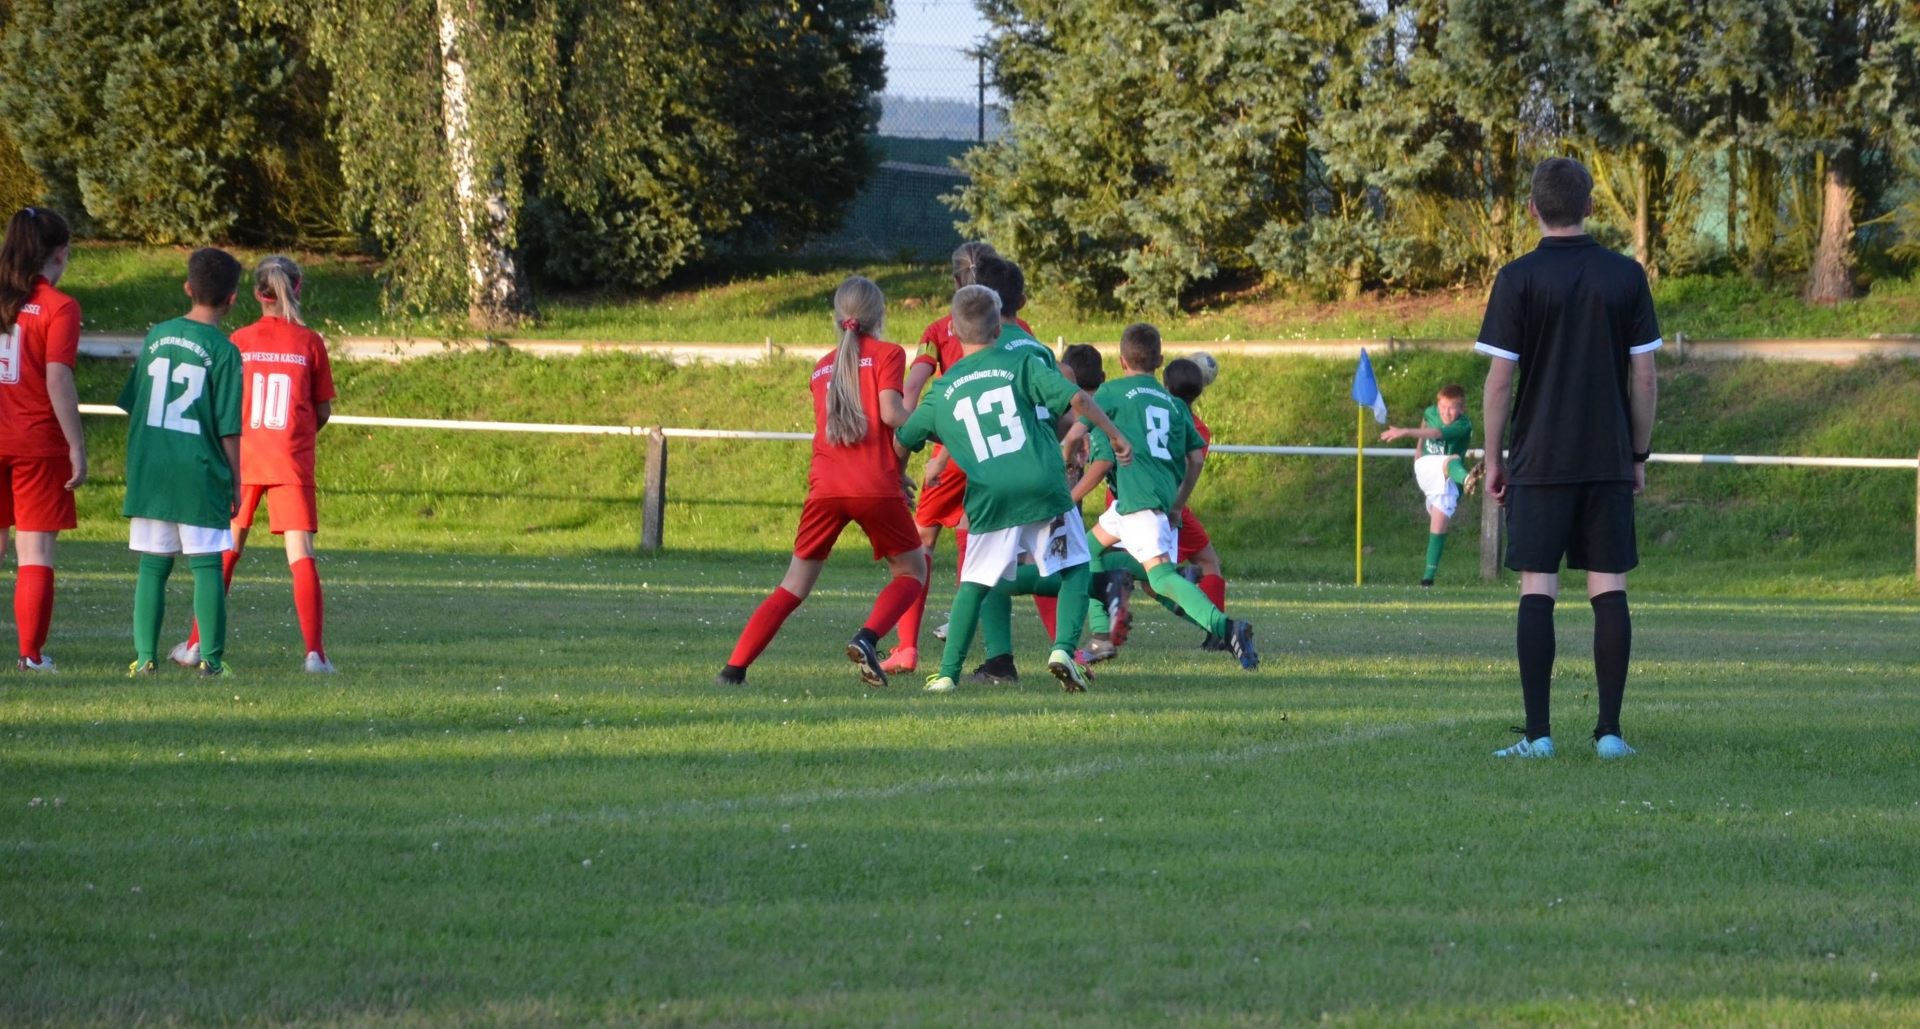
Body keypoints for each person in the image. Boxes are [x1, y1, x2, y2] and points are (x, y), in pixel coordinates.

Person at [1478, 157, 1660, 760]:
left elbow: (1499, 382)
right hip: (1607, 458)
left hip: (1539, 458)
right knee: (1609, 587)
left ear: (1532, 208)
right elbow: (1645, 377)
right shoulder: (1626, 275)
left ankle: (1539, 736)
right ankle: (1610, 734)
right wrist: (1637, 455)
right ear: (1589, 206)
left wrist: (1496, 458)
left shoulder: (1517, 278)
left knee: (1538, 587)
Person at [896, 284, 1130, 694]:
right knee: (1076, 568)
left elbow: (904, 437)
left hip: (989, 495)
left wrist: (899, 477)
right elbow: (1076, 398)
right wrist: (1114, 435)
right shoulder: (1021, 362)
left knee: (974, 584)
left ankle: (947, 674)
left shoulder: (943, 389)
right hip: (1042, 483)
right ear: (998, 329)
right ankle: (1062, 651)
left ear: (954, 330)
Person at [718, 276, 927, 689]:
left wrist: (893, 469)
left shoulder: (822, 366)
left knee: (793, 585)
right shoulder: (888, 353)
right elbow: (889, 414)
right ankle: (867, 638)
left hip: (827, 485)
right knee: (911, 572)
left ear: (838, 317)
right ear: (880, 316)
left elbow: (848, 431)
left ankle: (733, 670)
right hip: (872, 487)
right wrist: (933, 427)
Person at [169, 256, 338, 673]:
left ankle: (195, 644)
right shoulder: (309, 342)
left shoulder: (239, 340)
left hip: (241, 459)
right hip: (290, 460)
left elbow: (220, 402)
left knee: (226, 550)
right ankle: (315, 655)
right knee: (301, 555)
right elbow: (322, 410)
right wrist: (298, 434)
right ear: (297, 289)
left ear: (256, 294)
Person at [1074, 325, 1258, 671]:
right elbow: (1196, 459)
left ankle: (1227, 628)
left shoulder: (1112, 391)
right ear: (1160, 361)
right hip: (1136, 504)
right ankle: (1101, 636)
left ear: (1121, 360)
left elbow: (1081, 430)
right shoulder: (1174, 404)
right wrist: (1177, 505)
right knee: (1086, 552)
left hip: (1138, 502)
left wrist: (1069, 450)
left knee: (1159, 579)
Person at [884, 242, 1010, 675]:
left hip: (953, 450)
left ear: (955, 280)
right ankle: (969, 630)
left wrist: (913, 437)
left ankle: (906, 647)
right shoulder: (1011, 327)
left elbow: (913, 387)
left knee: (921, 541)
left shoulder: (939, 330)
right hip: (1000, 452)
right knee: (975, 539)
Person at [120, 248, 246, 677]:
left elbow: (135, 403)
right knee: (207, 563)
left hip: (153, 468)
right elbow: (228, 427)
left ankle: (144, 658)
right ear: (232, 298)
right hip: (200, 469)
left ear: (188, 288)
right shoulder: (225, 351)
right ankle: (211, 660)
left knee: (153, 564)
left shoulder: (158, 335)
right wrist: (236, 481)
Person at [0, 207, 84, 672]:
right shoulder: (59, 307)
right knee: (35, 553)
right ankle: (30, 656)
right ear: (60, 254)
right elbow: (57, 379)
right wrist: (76, 445)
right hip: (36, 441)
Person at [1161, 357, 1230, 648]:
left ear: (1165, 386)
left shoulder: (1150, 411)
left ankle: (1104, 631)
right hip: (1172, 503)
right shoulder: (1199, 429)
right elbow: (1191, 467)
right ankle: (1216, 629)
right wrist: (1176, 507)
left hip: (1130, 496)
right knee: (1205, 562)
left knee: (1145, 574)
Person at [1380, 383, 1479, 586]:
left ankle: (1427, 579)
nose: (1445, 412)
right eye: (1442, 406)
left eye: (1451, 408)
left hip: (1447, 478)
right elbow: (1426, 419)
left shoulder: (1464, 425)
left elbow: (1436, 433)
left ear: (1462, 408)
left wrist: (1406, 431)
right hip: (1427, 466)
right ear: (1437, 404)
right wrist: (1418, 450)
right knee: (1452, 460)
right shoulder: (1431, 411)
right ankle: (1466, 479)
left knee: (1439, 525)